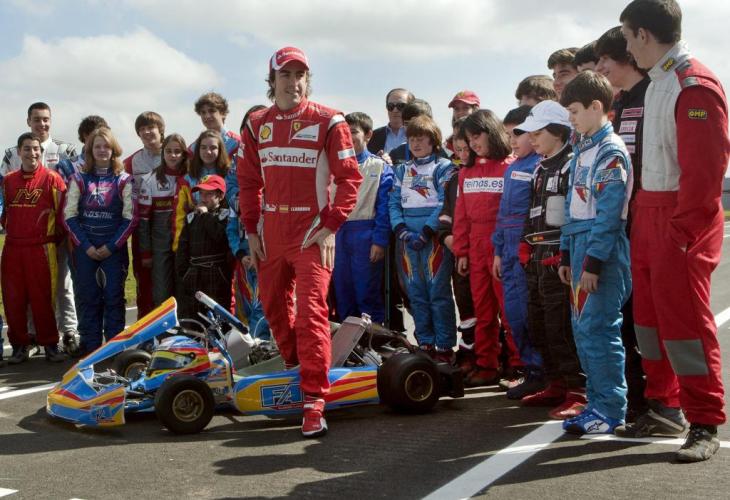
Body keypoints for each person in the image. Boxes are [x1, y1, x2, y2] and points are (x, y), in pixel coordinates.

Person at [617, 0, 730, 462]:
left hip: (679, 216)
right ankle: (664, 406)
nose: (626, 48)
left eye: (628, 37)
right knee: (648, 322)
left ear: (644, 34)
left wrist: (682, 232)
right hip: (647, 211)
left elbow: (704, 174)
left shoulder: (693, 84)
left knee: (685, 325)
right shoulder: (658, 82)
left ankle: (704, 421)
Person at [238, 46, 362, 437]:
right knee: (272, 308)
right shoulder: (256, 123)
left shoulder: (329, 120)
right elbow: (248, 183)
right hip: (271, 232)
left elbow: (350, 178)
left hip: (312, 233)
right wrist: (251, 230)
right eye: (286, 75)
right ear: (271, 80)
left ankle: (313, 400)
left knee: (310, 314)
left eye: (300, 75)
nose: (294, 82)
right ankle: (296, 366)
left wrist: (331, 225)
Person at [557, 71, 633, 435]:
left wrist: (594, 262)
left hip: (600, 251)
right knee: (583, 330)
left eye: (574, 111)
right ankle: (596, 402)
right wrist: (565, 254)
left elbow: (608, 215)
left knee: (599, 330)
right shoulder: (582, 149)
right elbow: (571, 208)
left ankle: (611, 409)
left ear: (596, 106)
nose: (570, 118)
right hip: (578, 245)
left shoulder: (610, 150)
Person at [515, 100, 586, 419]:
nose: (532, 139)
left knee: (560, 328)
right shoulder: (539, 168)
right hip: (536, 256)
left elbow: (575, 215)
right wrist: (524, 246)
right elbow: (531, 213)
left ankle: (578, 390)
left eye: (538, 132)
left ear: (558, 132)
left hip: (559, 258)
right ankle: (555, 383)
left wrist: (565, 254)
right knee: (538, 324)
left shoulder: (572, 165)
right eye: (530, 133)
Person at [595, 24, 651, 422]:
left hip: (647, 220)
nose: (600, 67)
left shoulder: (656, 92)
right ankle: (634, 399)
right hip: (619, 224)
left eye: (604, 59)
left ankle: (654, 401)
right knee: (623, 318)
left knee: (644, 317)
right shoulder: (619, 101)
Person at [1, 102, 78, 352]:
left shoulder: (65, 150)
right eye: (36, 119)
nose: (41, 124)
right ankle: (32, 335)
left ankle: (69, 332)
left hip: (56, 232)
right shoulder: (11, 154)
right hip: (24, 236)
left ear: (50, 121)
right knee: (25, 291)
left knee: (62, 286)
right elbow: (4, 194)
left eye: (45, 119)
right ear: (28, 122)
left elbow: (75, 188)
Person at [452, 110, 520, 387]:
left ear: (491, 132)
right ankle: (487, 365)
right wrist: (461, 251)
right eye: (469, 138)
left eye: (477, 136)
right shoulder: (465, 172)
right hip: (476, 246)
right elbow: (460, 215)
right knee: (483, 310)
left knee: (509, 309)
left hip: (502, 244)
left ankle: (518, 366)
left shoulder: (510, 167)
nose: (473, 142)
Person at [64, 127, 137, 355]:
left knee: (114, 298)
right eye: (97, 146)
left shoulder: (124, 180)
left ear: (114, 149)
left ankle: (114, 348)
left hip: (113, 250)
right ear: (90, 150)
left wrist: (111, 246)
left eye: (106, 146)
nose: (102, 150)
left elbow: (130, 218)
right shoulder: (78, 178)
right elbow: (69, 216)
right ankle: (91, 347)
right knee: (88, 298)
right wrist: (86, 246)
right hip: (85, 250)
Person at [389, 115, 456, 361]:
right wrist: (401, 230)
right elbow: (393, 203)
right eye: (412, 139)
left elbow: (444, 203)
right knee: (415, 292)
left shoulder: (444, 167)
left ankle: (445, 346)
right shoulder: (401, 169)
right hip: (407, 238)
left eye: (421, 138)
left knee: (437, 291)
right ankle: (425, 343)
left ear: (433, 140)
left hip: (433, 237)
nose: (416, 144)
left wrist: (427, 231)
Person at [492, 105, 544, 399]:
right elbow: (502, 214)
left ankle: (542, 372)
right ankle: (529, 369)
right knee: (512, 314)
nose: (512, 141)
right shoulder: (512, 167)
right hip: (508, 248)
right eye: (509, 135)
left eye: (518, 134)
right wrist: (498, 251)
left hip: (527, 245)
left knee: (528, 313)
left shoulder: (540, 165)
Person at [333, 112, 393, 323]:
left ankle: (373, 338)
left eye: (353, 132)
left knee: (366, 292)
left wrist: (379, 240)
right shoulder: (332, 165)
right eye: (344, 133)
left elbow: (385, 208)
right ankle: (348, 340)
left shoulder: (380, 166)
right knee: (342, 293)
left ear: (368, 135)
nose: (348, 138)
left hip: (365, 235)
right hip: (337, 234)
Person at [437, 118, 476, 374]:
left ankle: (495, 355)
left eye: (466, 149)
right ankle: (469, 353)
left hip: (483, 253)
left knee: (490, 309)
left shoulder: (493, 172)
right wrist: (448, 239)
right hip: (459, 254)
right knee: (465, 306)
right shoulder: (453, 178)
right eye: (457, 149)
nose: (462, 155)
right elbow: (445, 217)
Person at [137, 133, 194, 308]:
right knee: (162, 293)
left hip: (187, 242)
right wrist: (146, 252)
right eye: (168, 151)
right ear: (163, 153)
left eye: (177, 151)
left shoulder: (192, 178)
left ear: (184, 154)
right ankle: (163, 326)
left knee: (185, 290)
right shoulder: (149, 180)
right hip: (160, 245)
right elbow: (143, 221)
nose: (173, 155)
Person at [228, 105, 270, 338]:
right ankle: (249, 345)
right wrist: (240, 252)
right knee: (245, 304)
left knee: (265, 304)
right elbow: (232, 193)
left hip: (271, 247)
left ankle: (263, 344)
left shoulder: (278, 153)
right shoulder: (238, 159)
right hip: (245, 246)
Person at [124, 111, 164, 319]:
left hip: (170, 225)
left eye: (151, 127)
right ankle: (145, 325)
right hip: (143, 228)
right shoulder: (131, 162)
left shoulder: (176, 153)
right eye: (142, 129)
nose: (147, 132)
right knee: (144, 280)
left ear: (161, 130)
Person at [175, 175, 232, 319]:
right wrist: (185, 274)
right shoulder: (191, 218)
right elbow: (182, 250)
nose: (203, 198)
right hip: (193, 274)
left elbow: (220, 237)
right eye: (201, 193)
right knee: (193, 315)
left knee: (217, 317)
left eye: (208, 194)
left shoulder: (225, 215)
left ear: (220, 196)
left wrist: (206, 215)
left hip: (217, 274)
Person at [193, 92, 241, 158]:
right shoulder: (194, 148)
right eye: (203, 112)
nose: (207, 116)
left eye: (212, 111)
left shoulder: (238, 143)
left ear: (223, 113)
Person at [367, 88, 415, 156]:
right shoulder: (373, 136)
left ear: (412, 108)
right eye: (391, 106)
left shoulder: (422, 135)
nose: (395, 110)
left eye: (401, 106)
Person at [186, 129, 231, 201]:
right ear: (198, 150)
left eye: (213, 148)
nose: (208, 152)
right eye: (203, 147)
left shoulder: (229, 173)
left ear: (220, 150)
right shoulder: (189, 174)